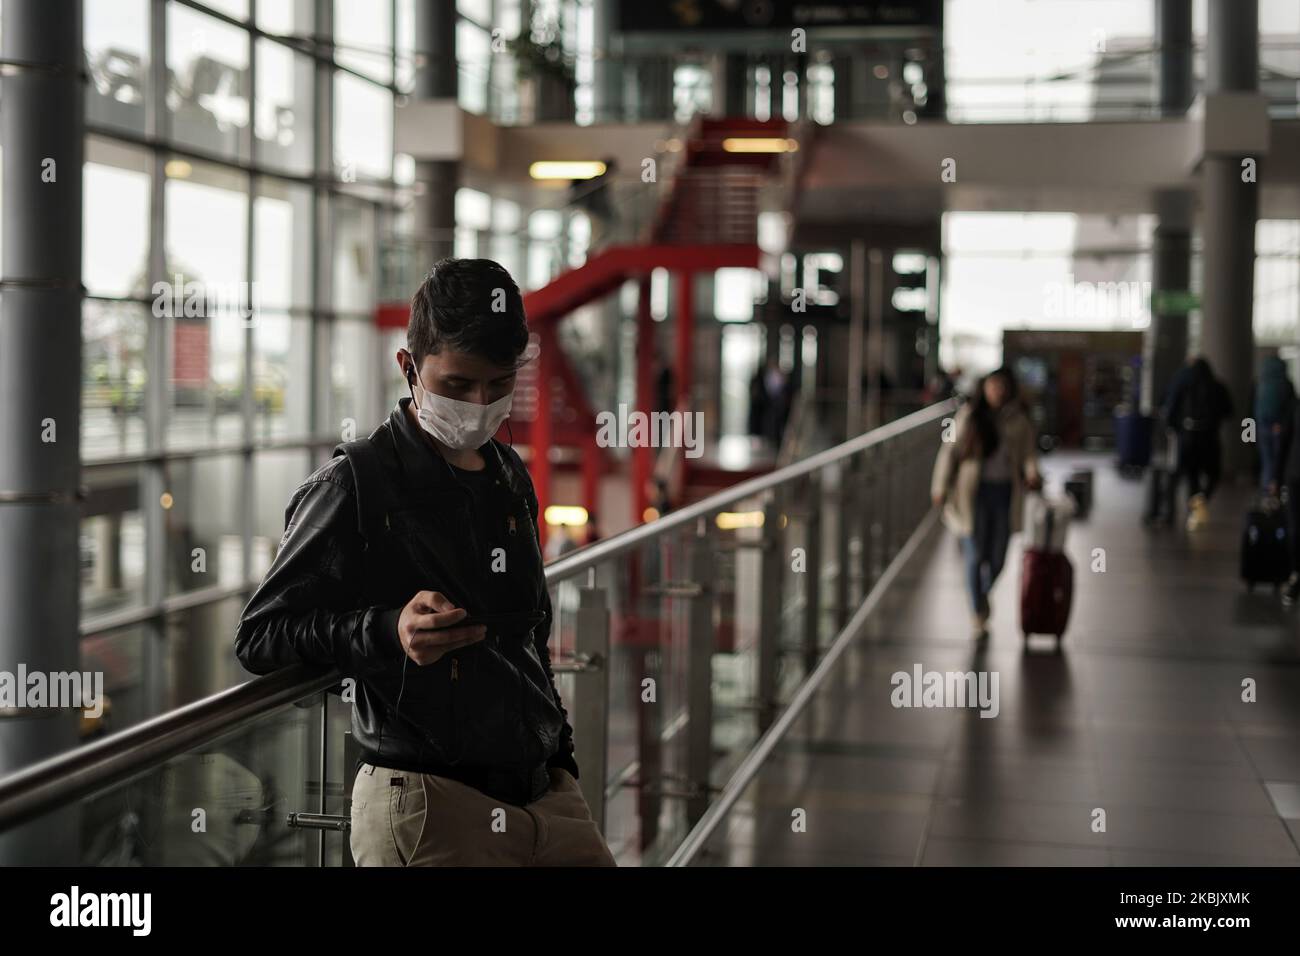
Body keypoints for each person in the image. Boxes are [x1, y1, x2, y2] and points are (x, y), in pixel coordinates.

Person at [235, 258, 615, 867]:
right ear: (408, 367)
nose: (480, 404)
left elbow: (529, 632)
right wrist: (388, 629)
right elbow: (260, 636)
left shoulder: (507, 474)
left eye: (498, 385)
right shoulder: (355, 484)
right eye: (458, 386)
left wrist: (560, 758)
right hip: (429, 801)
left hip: (545, 794)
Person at [930, 366, 1043, 640]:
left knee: (998, 557)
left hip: (1005, 493)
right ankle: (978, 613)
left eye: (1002, 386)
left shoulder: (1019, 419)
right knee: (975, 553)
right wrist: (939, 486)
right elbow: (949, 452)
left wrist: (1032, 473)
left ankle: (982, 591)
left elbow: (1029, 453)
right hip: (973, 495)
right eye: (993, 386)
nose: (997, 391)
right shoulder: (969, 416)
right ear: (984, 388)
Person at [1163, 355, 1233, 531]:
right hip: (1210, 437)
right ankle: (1200, 503)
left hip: (1188, 436)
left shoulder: (1184, 385)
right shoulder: (1217, 386)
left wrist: (1173, 427)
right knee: (1213, 474)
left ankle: (1194, 511)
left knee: (1191, 475)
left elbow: (1171, 408)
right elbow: (1229, 411)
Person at [1252, 354, 1294, 495]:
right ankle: (1276, 491)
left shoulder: (1260, 383)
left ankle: (1266, 492)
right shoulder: (1286, 384)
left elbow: (1253, 409)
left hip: (1261, 427)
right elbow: (1291, 408)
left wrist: (1249, 434)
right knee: (1278, 461)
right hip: (1279, 428)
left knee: (1266, 461)